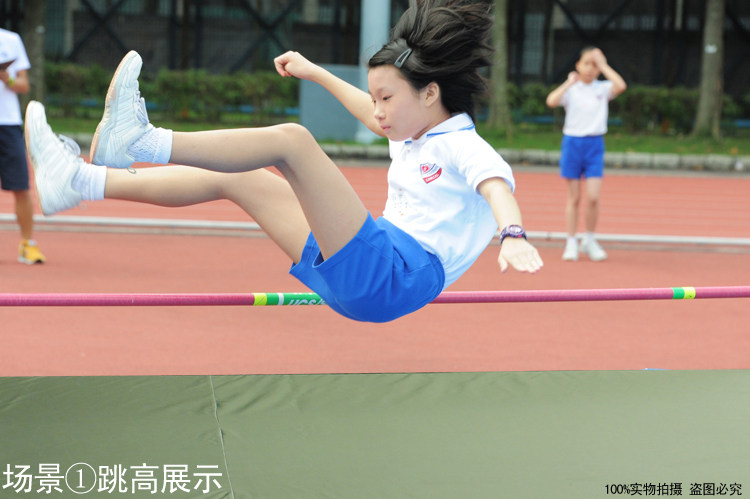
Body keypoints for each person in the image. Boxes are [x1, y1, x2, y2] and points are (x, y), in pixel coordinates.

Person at [25, 0, 542, 322]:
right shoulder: (413, 132)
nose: (379, 111)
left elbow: (496, 187)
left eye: (388, 99)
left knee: (293, 142)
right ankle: (77, 180)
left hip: (396, 273)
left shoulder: (459, 143)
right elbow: (366, 110)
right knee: (240, 178)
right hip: (368, 273)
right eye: (376, 99)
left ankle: (141, 142)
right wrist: (314, 71)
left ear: (430, 94)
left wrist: (513, 235)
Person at [545, 46, 626, 262]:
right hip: (573, 143)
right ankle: (571, 241)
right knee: (574, 198)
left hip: (594, 145)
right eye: (586, 63)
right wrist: (568, 82)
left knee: (593, 197)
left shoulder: (603, 88)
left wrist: (604, 64)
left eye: (594, 65)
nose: (590, 68)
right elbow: (551, 101)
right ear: (578, 65)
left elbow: (621, 86)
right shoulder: (572, 88)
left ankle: (589, 240)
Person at [0, 28, 45, 264]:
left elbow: (24, 84)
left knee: (20, 186)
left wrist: (6, 78)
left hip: (8, 123)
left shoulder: (11, 40)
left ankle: (28, 244)